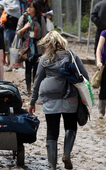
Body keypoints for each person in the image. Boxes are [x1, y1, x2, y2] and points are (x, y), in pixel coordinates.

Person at [29, 31, 88, 170]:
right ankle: (66, 154)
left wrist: (32, 102)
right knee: (70, 126)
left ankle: (51, 166)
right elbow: (85, 76)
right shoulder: (71, 55)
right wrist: (86, 97)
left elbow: (37, 82)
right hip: (70, 96)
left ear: (47, 44)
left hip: (50, 98)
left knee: (52, 130)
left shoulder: (44, 59)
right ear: (62, 42)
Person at [16, 0, 47, 94]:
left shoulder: (40, 18)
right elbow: (17, 34)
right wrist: (25, 28)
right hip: (27, 47)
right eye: (28, 7)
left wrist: (45, 48)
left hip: (38, 47)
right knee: (28, 68)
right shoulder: (23, 18)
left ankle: (36, 89)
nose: (28, 9)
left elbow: (44, 35)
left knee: (37, 68)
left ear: (35, 9)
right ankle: (28, 89)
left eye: (31, 7)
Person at [0, 0, 22, 70]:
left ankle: (17, 62)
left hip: (18, 26)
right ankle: (10, 64)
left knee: (18, 45)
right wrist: (1, 21)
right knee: (8, 45)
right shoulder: (3, 2)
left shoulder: (17, 0)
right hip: (8, 27)